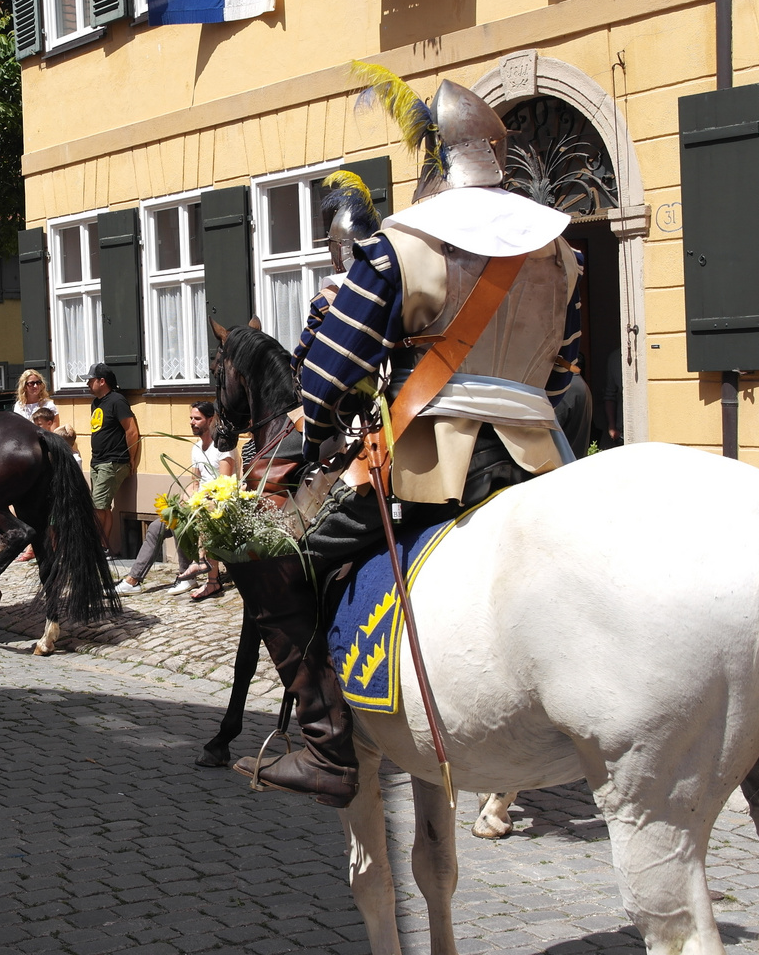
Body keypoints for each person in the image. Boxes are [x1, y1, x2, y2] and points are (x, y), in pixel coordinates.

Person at [238, 69, 582, 807]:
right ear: (499, 158)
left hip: (432, 461)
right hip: (544, 462)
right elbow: (560, 375)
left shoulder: (402, 244)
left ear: (430, 161)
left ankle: (328, 747)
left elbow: (322, 384)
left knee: (270, 560)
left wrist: (327, 429)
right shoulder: (557, 251)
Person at [116, 402, 227, 599]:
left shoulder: (222, 448)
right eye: (191, 418)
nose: (192, 423)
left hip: (215, 503)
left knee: (179, 522)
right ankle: (134, 580)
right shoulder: (196, 447)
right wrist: (184, 499)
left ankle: (186, 576)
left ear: (211, 420)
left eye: (197, 419)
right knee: (156, 527)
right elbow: (194, 482)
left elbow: (226, 483)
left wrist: (199, 501)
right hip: (198, 502)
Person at [86, 363, 139, 553]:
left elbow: (131, 430)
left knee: (97, 507)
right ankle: (104, 547)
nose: (87, 384)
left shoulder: (117, 401)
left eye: (91, 380)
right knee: (102, 506)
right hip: (97, 461)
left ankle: (97, 547)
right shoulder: (96, 403)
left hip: (113, 461)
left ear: (102, 381)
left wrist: (131, 458)